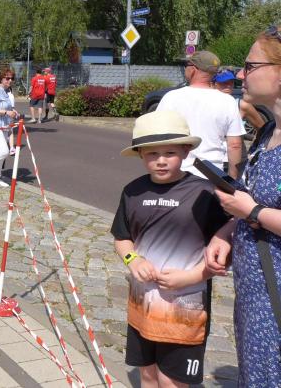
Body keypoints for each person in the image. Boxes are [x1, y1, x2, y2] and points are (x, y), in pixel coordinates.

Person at [112, 110, 230, 387]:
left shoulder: (204, 192)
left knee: (171, 380)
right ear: (140, 154)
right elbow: (122, 238)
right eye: (152, 154)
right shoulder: (132, 191)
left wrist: (191, 277)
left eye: (170, 152)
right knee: (147, 373)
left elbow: (222, 251)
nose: (161, 160)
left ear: (186, 150)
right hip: (142, 304)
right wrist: (133, 260)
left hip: (185, 308)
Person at [205, 26, 281, 386]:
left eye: (250, 66)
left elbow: (254, 207)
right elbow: (253, 200)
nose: (239, 74)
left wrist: (250, 211)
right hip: (256, 299)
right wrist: (227, 232)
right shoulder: (268, 133)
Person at [157, 50, 245, 179]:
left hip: (177, 173)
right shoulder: (228, 101)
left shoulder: (171, 98)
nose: (185, 69)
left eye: (186, 65)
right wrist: (232, 180)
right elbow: (235, 145)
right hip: (212, 174)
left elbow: (158, 136)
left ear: (193, 69)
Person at [211, 68, 266, 134]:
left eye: (231, 82)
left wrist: (257, 140)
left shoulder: (241, 105)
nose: (228, 86)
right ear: (212, 85)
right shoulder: (204, 104)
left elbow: (264, 129)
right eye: (224, 83)